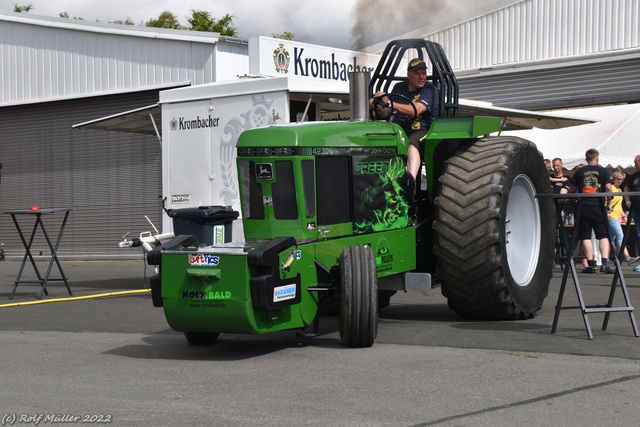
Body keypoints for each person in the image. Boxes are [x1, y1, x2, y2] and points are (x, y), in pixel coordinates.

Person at [370, 58, 439, 188]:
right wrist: (375, 104)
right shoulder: (399, 87)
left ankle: (409, 185)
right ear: (408, 75)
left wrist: (388, 102)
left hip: (424, 131)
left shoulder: (430, 90)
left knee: (412, 144)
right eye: (417, 73)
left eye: (424, 73)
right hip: (399, 130)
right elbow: (391, 110)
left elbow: (415, 111)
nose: (421, 76)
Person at [569, 148, 613, 274]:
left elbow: (572, 189)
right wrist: (609, 203)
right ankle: (604, 264)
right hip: (598, 206)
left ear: (586, 158)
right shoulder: (603, 171)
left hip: (583, 206)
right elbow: (608, 188)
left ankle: (592, 264)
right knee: (603, 235)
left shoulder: (579, 171)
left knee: (585, 236)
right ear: (597, 158)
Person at [609, 170, 638, 265]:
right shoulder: (611, 188)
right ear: (614, 179)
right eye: (618, 179)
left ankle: (613, 258)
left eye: (622, 179)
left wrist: (623, 215)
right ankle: (627, 257)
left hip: (617, 216)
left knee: (612, 238)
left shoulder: (619, 190)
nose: (620, 181)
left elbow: (619, 205)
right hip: (611, 216)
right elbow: (607, 202)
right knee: (620, 236)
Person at [623, 154, 640, 271]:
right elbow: (626, 189)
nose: (635, 165)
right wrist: (628, 201)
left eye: (636, 163)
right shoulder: (634, 176)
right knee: (639, 235)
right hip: (637, 210)